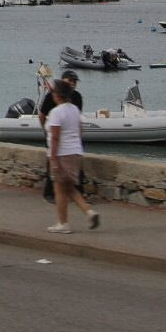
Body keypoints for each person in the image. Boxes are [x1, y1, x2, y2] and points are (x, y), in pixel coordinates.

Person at [46, 79, 99, 234]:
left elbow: (55, 138)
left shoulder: (56, 113)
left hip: (61, 155)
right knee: (69, 188)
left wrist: (54, 159)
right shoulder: (74, 109)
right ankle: (89, 212)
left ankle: (63, 224)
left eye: (54, 92)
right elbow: (79, 130)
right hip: (75, 152)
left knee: (59, 191)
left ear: (57, 95)